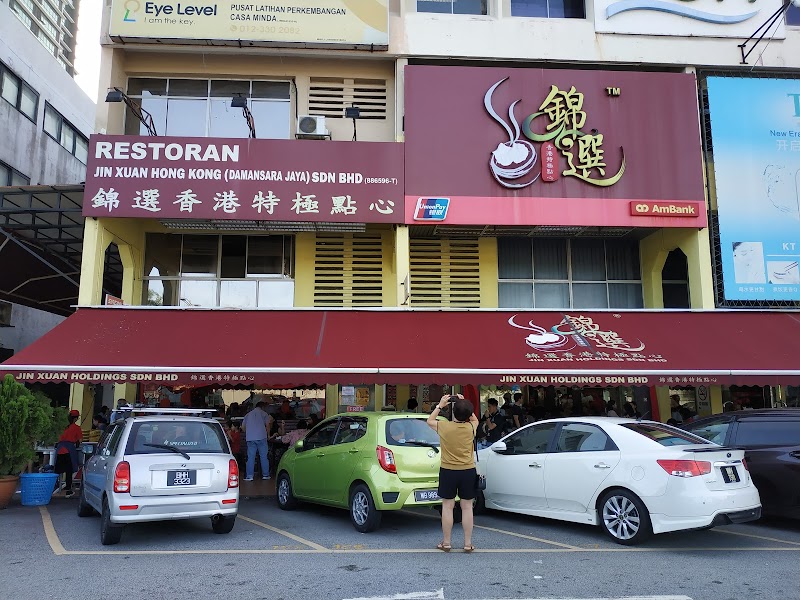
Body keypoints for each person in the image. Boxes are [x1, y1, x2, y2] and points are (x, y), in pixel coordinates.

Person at [426, 394, 479, 553]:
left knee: (447, 506)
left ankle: (447, 542)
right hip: (468, 470)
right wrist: (463, 402)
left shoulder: (444, 427)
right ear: (469, 414)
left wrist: (440, 405)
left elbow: (429, 421)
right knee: (467, 507)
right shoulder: (471, 427)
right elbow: (474, 418)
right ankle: (468, 543)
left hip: (448, 470)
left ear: (453, 413)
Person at [54, 409, 83, 498]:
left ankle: (55, 487)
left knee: (57, 470)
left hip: (59, 449)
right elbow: (80, 441)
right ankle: (68, 490)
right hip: (69, 450)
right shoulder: (76, 428)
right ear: (75, 418)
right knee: (69, 471)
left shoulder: (62, 427)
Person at [242, 401, 273, 481]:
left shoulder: (248, 414)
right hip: (262, 437)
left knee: (251, 458)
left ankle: (249, 476)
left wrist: (249, 433)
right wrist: (268, 435)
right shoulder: (264, 414)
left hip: (250, 438)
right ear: (262, 407)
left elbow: (243, 427)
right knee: (264, 457)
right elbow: (268, 426)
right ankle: (265, 475)